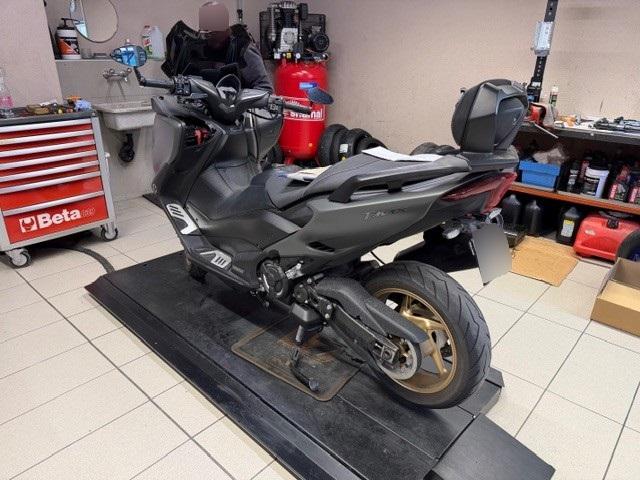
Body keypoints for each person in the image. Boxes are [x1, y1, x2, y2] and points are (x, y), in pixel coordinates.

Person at [163, 1, 273, 92]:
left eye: (214, 31)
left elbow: (265, 89)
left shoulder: (242, 49)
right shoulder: (196, 48)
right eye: (207, 32)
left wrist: (238, 99)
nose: (210, 37)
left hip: (237, 109)